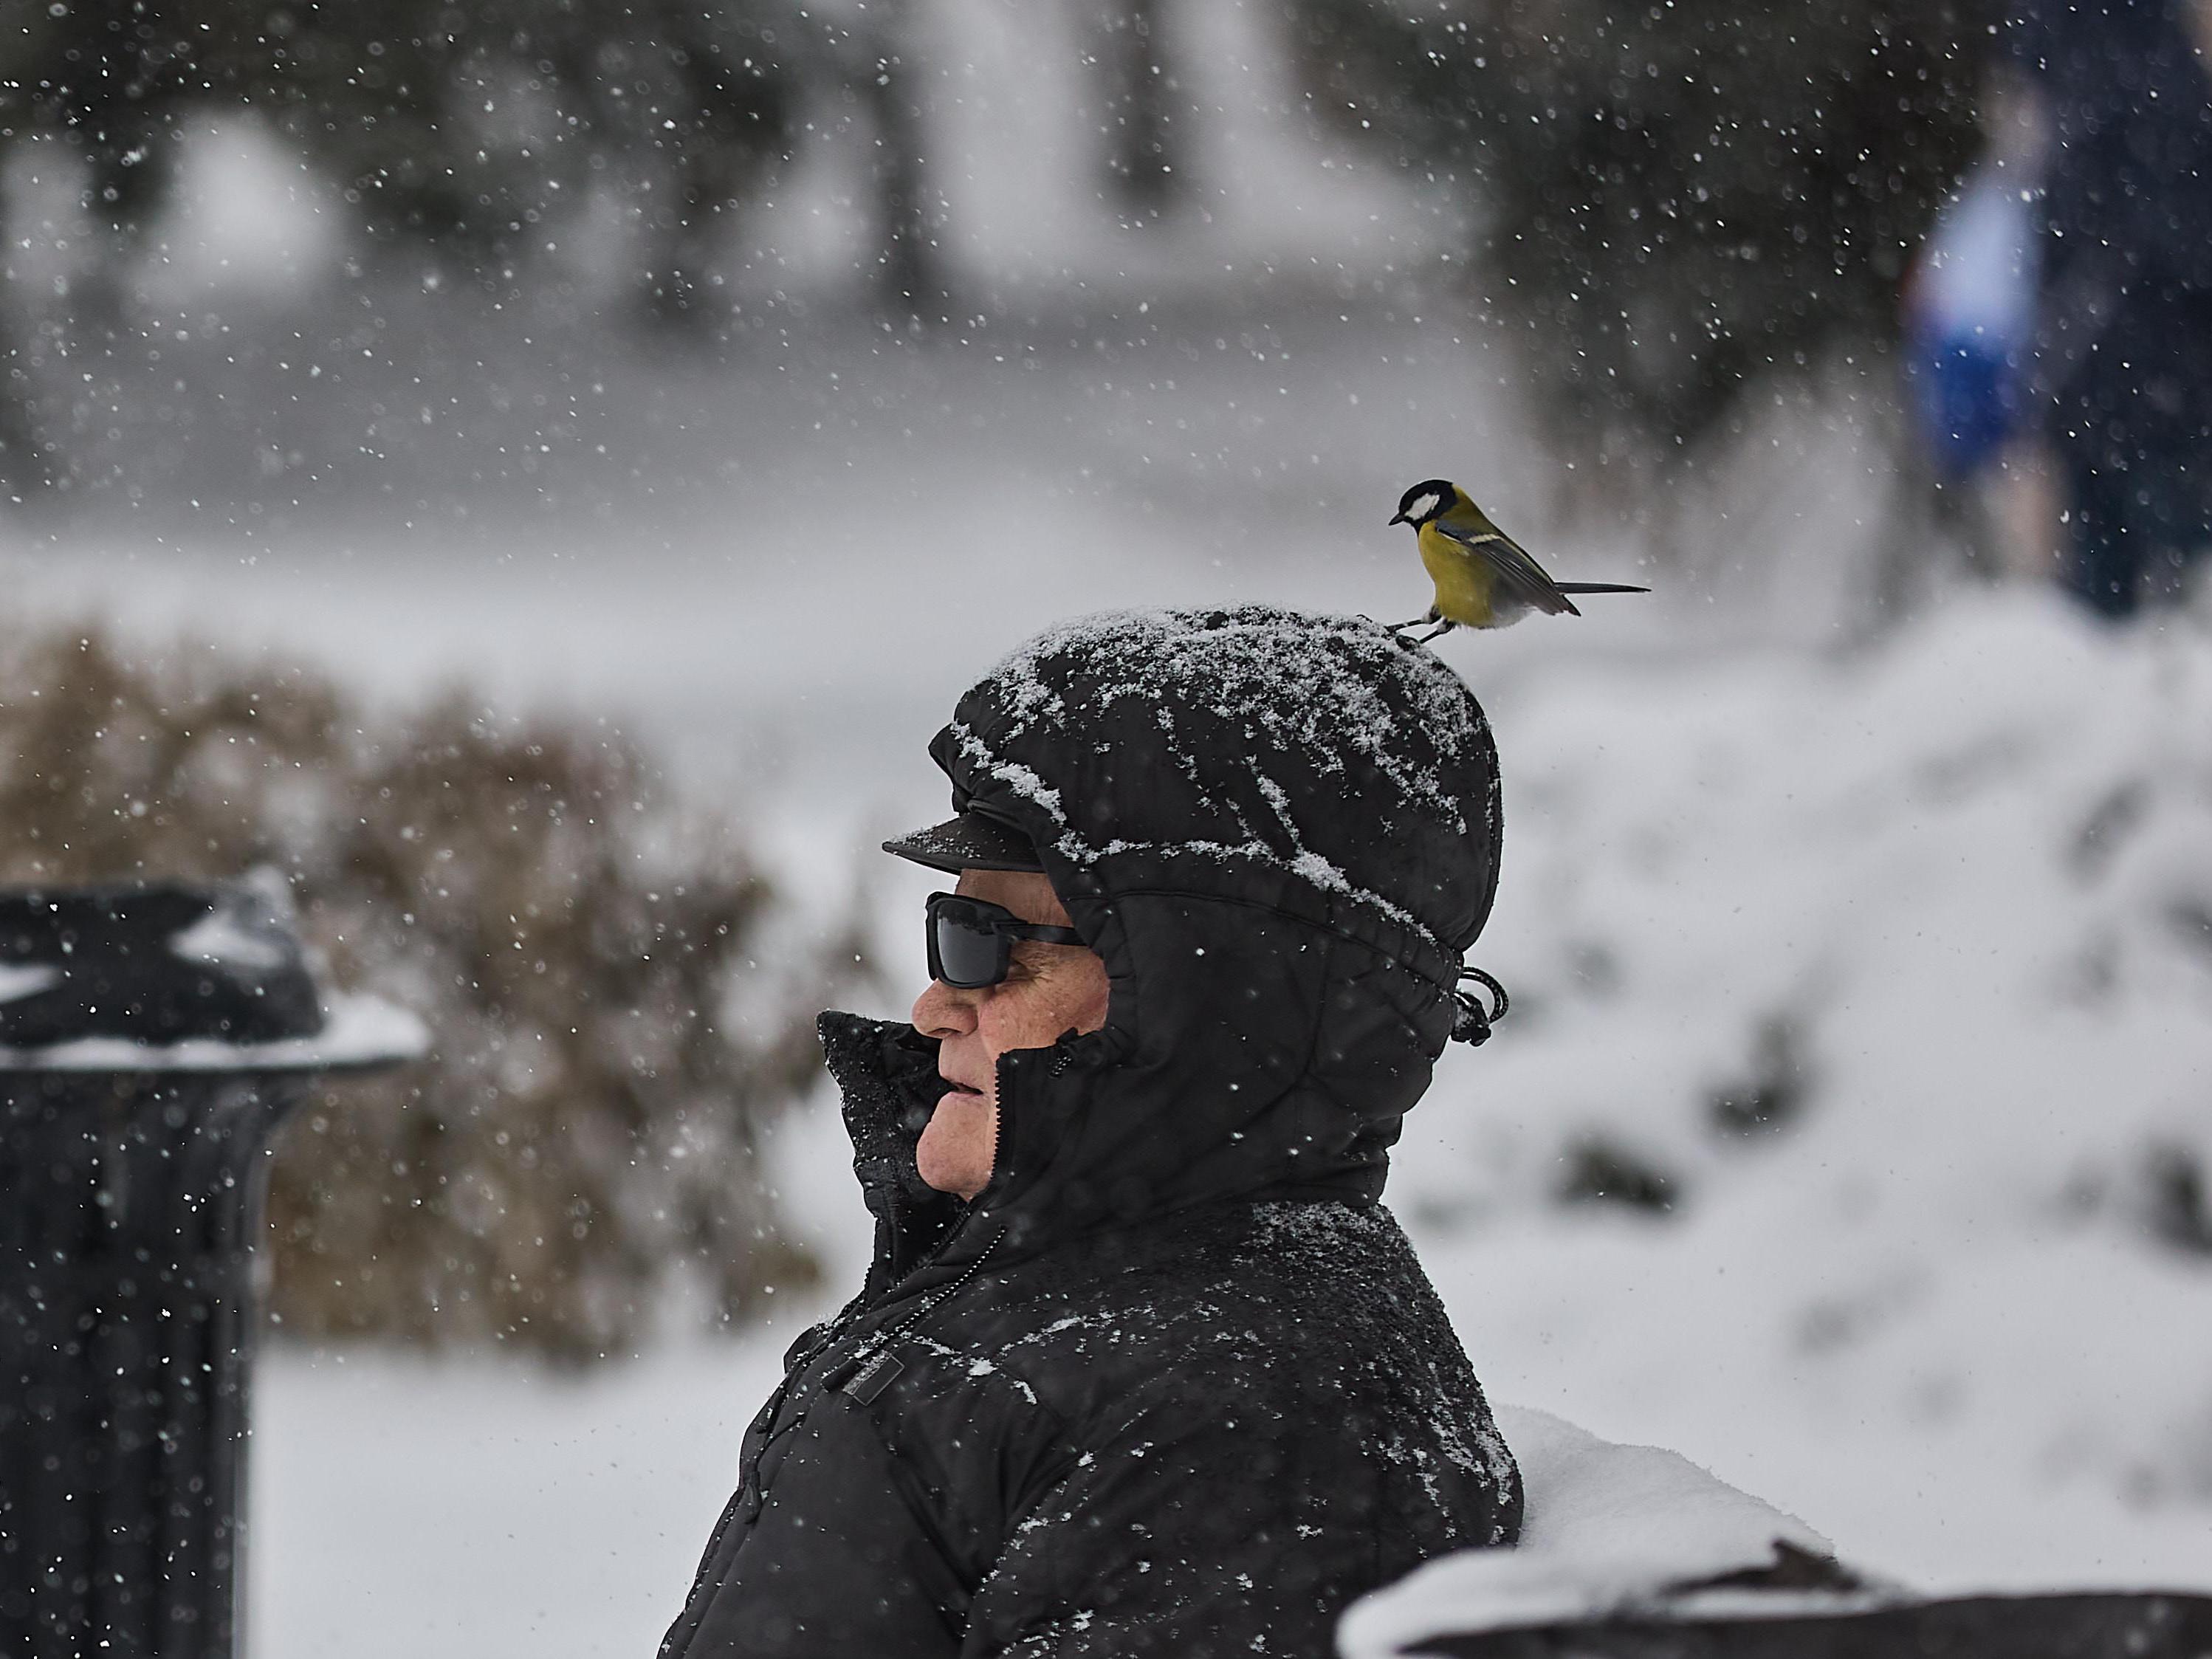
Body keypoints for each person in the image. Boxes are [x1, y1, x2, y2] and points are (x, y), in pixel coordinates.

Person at [658, 605, 1522, 1659]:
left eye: (989, 945)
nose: (933, 1006)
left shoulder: (1244, 1427)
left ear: (1209, 995)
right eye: (945, 931)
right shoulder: (1085, 1307)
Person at [2011, 0, 2212, 616]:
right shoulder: (2162, 85)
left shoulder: (2071, 83)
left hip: (2087, 385)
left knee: (2102, 605)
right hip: (2166, 388)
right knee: (2171, 607)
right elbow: (2186, 238)